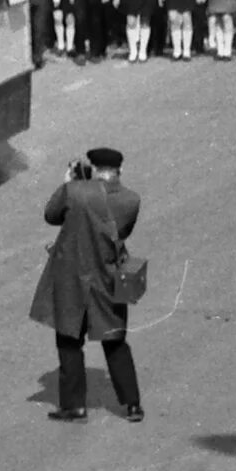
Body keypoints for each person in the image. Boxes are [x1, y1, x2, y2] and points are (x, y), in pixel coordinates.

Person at [30, 147, 143, 424]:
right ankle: (132, 405)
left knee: (68, 342)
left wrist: (70, 183)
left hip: (73, 280)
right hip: (107, 281)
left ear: (93, 169)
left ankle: (74, 406)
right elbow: (122, 233)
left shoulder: (75, 192)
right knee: (115, 342)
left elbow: (51, 215)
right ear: (119, 171)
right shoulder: (132, 200)